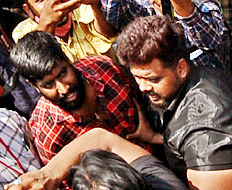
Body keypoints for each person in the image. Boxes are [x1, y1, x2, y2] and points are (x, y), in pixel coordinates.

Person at [114, 15, 232, 190]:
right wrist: (155, 138)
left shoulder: (205, 132)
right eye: (137, 78)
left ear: (181, 68)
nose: (143, 87)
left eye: (153, 79)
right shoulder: (206, 75)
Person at [10, 31, 149, 163]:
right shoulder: (48, 135)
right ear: (34, 86)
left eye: (63, 74)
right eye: (48, 85)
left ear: (67, 59)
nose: (64, 89)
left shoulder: (103, 67)